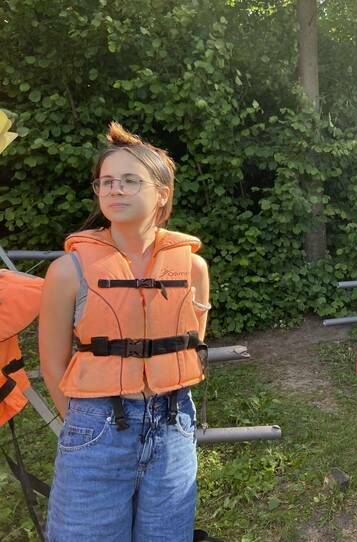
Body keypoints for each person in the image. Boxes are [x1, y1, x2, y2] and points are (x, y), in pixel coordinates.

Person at [39, 122, 211, 541]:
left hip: (173, 424)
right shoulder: (67, 271)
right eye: (106, 181)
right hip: (95, 426)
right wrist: (85, 425)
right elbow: (52, 364)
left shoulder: (193, 268)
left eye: (130, 181)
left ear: (162, 194)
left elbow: (192, 345)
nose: (114, 189)